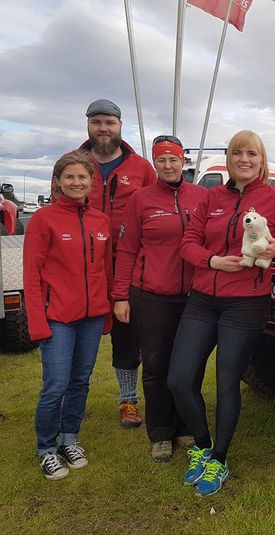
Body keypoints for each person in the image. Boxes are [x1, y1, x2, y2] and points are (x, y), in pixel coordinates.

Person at [168, 130, 275, 497]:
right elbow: (187, 245)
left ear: (262, 161)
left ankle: (219, 457)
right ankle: (201, 444)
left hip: (245, 304)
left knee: (227, 381)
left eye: (252, 153)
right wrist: (213, 260)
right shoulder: (212, 196)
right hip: (202, 298)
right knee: (180, 379)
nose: (244, 159)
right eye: (237, 153)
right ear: (228, 159)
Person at [113, 135, 208, 462]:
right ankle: (161, 431)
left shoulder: (202, 196)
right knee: (155, 364)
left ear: (184, 161)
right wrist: (120, 296)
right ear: (155, 163)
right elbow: (126, 250)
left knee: (190, 364)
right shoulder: (141, 199)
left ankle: (185, 425)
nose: (168, 165)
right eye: (161, 160)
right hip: (151, 294)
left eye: (174, 159)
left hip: (195, 296)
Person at [23, 151, 114, 480]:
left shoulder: (101, 221)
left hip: (92, 317)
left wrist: (105, 312)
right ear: (58, 182)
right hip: (58, 317)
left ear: (91, 182)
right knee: (56, 384)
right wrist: (37, 320)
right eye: (70, 177)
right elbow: (31, 275)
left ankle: (69, 439)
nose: (77, 182)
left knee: (80, 382)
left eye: (82, 177)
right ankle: (46, 448)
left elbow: (105, 268)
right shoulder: (43, 220)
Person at [78, 99, 157, 428]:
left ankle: (128, 400)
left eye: (109, 122)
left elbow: (156, 207)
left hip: (128, 264)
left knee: (126, 333)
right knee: (78, 331)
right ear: (88, 125)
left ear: (120, 125)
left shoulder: (140, 167)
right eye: (97, 122)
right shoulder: (74, 162)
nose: (103, 128)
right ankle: (70, 398)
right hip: (84, 265)